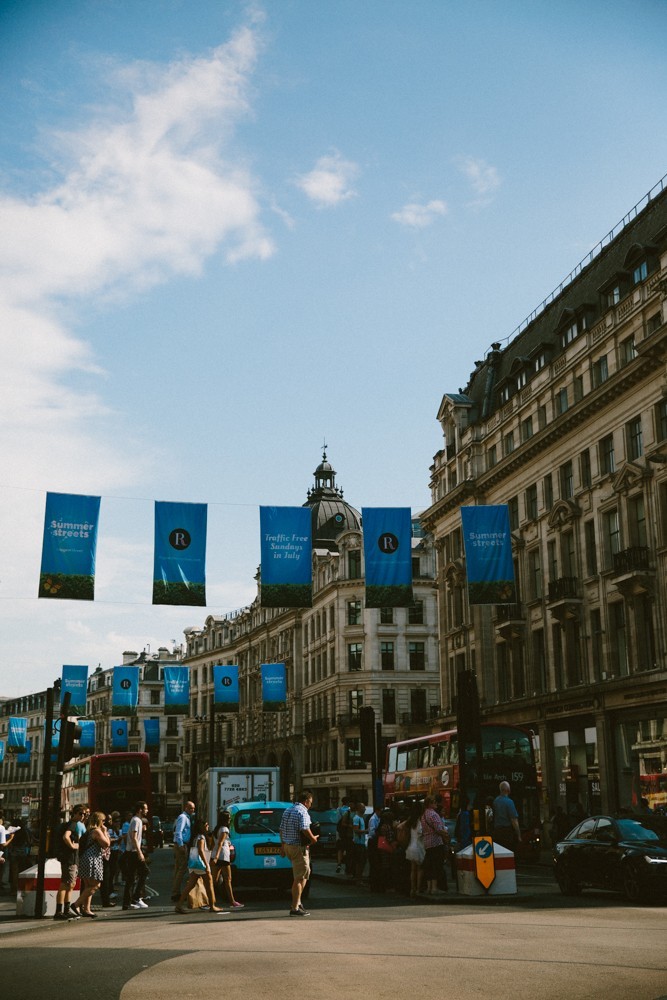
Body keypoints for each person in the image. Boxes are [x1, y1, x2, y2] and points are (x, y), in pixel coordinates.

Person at [279, 789, 318, 917]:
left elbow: (281, 829)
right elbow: (305, 828)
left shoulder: (288, 810)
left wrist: (282, 845)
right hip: (298, 847)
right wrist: (313, 839)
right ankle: (295, 907)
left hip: (288, 846)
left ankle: (298, 902)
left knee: (304, 874)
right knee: (299, 878)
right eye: (310, 802)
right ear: (306, 801)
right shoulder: (302, 812)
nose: (311, 805)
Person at [175, 818, 226, 914]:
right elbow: (201, 851)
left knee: (191, 885)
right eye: (206, 825)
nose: (208, 827)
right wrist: (206, 864)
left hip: (194, 863)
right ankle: (212, 906)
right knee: (209, 883)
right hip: (201, 864)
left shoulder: (195, 837)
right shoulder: (201, 837)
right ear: (201, 827)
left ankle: (179, 905)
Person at [76, 811, 111, 918]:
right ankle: (76, 904)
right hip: (92, 859)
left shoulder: (89, 830)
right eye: (103, 820)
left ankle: (86, 909)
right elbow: (106, 844)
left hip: (85, 858)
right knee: (96, 885)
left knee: (88, 886)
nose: (104, 823)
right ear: (99, 821)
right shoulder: (97, 831)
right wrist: (104, 832)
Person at [54, 804, 85, 921]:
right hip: (69, 858)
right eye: (81, 814)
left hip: (71, 858)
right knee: (65, 884)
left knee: (70, 884)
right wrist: (73, 846)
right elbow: (65, 837)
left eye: (85, 814)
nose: (83, 816)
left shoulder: (73, 824)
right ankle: (59, 911)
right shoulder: (72, 824)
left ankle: (66, 910)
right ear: (75, 813)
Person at [212, 811, 244, 909]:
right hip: (223, 857)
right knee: (228, 880)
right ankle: (232, 901)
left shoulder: (217, 829)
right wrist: (217, 857)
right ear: (225, 819)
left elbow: (216, 843)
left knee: (214, 880)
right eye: (229, 818)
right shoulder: (225, 829)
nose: (230, 820)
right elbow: (221, 843)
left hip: (216, 855)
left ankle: (208, 900)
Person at [122, 801, 150, 910]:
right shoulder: (136, 820)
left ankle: (127, 903)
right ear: (140, 810)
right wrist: (139, 852)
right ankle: (136, 897)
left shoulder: (136, 820)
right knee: (145, 872)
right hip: (134, 852)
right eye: (145, 808)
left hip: (132, 852)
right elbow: (134, 838)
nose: (147, 810)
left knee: (131, 877)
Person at [421, 795, 449, 896]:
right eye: (433, 802)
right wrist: (445, 834)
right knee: (436, 865)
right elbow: (438, 829)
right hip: (436, 842)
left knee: (429, 866)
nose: (435, 804)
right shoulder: (433, 814)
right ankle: (434, 888)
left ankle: (429, 888)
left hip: (427, 843)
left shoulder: (424, 815)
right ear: (429, 804)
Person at [171, 801, 195, 902]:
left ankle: (175, 892)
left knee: (178, 870)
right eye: (190, 808)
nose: (192, 810)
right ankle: (176, 893)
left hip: (183, 844)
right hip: (182, 845)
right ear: (185, 807)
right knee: (181, 870)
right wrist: (181, 845)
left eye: (193, 808)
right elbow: (178, 831)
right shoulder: (183, 817)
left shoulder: (187, 817)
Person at [404, 801, 425, 898]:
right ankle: (418, 889)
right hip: (418, 847)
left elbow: (400, 826)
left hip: (410, 846)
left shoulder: (410, 820)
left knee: (412, 870)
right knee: (420, 869)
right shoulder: (420, 820)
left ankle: (412, 889)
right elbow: (421, 832)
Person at [493, 781, 521, 852]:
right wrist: (519, 835)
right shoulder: (509, 802)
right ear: (508, 790)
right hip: (507, 833)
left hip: (497, 832)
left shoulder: (495, 801)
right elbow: (514, 820)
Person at [351, 802, 367, 882]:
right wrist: (366, 831)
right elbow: (356, 830)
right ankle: (358, 878)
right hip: (358, 843)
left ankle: (359, 877)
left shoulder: (361, 818)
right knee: (359, 862)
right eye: (363, 807)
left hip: (362, 843)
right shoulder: (356, 818)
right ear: (358, 808)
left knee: (362, 861)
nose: (364, 809)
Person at [335, 797, 352, 874]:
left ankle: (339, 864)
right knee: (348, 848)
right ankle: (348, 865)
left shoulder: (339, 809)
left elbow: (337, 820)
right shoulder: (349, 810)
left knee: (340, 849)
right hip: (348, 831)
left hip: (340, 831)